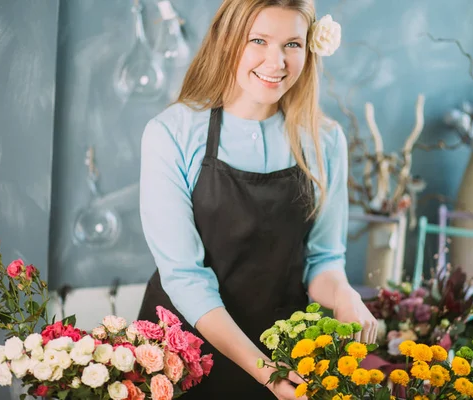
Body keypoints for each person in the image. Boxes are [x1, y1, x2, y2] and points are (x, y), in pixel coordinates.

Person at [137, 0, 377, 398]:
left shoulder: (325, 140)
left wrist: (344, 295)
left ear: (310, 48)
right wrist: (266, 372)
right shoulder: (171, 133)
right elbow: (184, 275)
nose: (276, 61)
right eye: (259, 40)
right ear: (227, 40)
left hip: (283, 352)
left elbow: (322, 260)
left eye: (292, 44)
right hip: (183, 355)